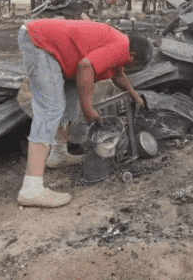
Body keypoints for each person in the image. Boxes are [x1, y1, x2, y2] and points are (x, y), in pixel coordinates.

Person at [17, 19, 152, 208]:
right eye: (134, 65)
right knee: (50, 108)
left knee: (71, 98)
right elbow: (86, 66)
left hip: (50, 45)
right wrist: (88, 108)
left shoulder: (121, 42)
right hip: (40, 42)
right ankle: (31, 188)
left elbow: (118, 75)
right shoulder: (119, 46)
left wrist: (134, 96)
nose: (131, 68)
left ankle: (58, 155)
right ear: (132, 56)